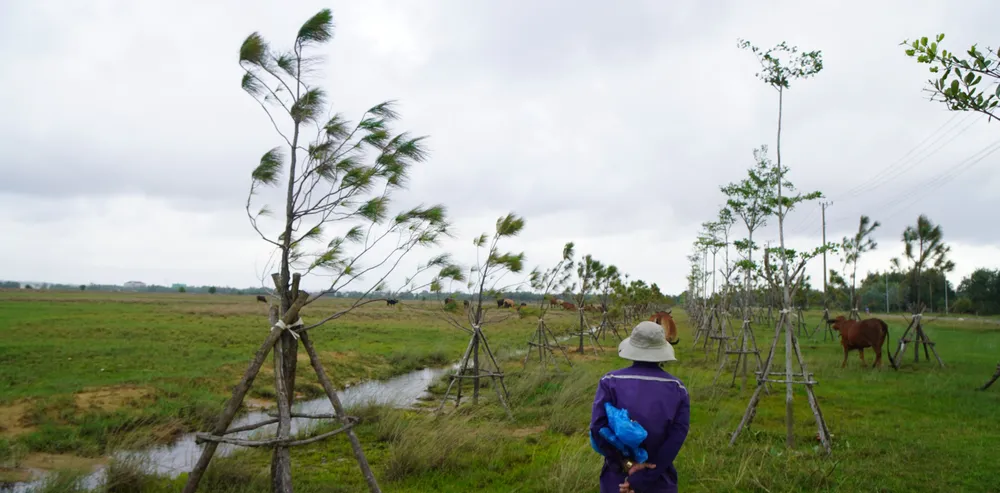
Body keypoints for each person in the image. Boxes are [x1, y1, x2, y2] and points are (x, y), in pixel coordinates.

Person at [590, 320, 690, 493]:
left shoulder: (609, 381)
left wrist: (626, 464)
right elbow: (677, 436)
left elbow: (597, 428)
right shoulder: (677, 388)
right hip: (659, 478)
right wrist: (646, 477)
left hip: (617, 479)